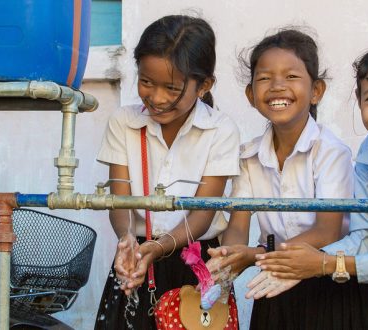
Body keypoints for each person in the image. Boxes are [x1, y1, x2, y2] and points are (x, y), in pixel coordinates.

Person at [207, 29, 368, 329]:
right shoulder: (248, 156)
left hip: (331, 282)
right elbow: (238, 224)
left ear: (316, 91)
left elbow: (326, 231)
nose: (277, 86)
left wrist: (256, 256)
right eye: (264, 78)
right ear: (250, 95)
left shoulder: (330, 151)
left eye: (291, 76)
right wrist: (228, 256)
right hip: (273, 286)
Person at [252, 40, 368, 330]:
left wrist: (326, 264)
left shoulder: (332, 151)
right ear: (358, 98)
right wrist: (307, 261)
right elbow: (366, 235)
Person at [94, 15, 240, 330]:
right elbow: (119, 200)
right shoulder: (124, 122)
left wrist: (157, 248)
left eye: (171, 88)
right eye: (146, 82)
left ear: (204, 86)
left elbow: (203, 214)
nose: (157, 98)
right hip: (136, 258)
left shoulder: (220, 130)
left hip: (195, 263)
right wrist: (126, 241)